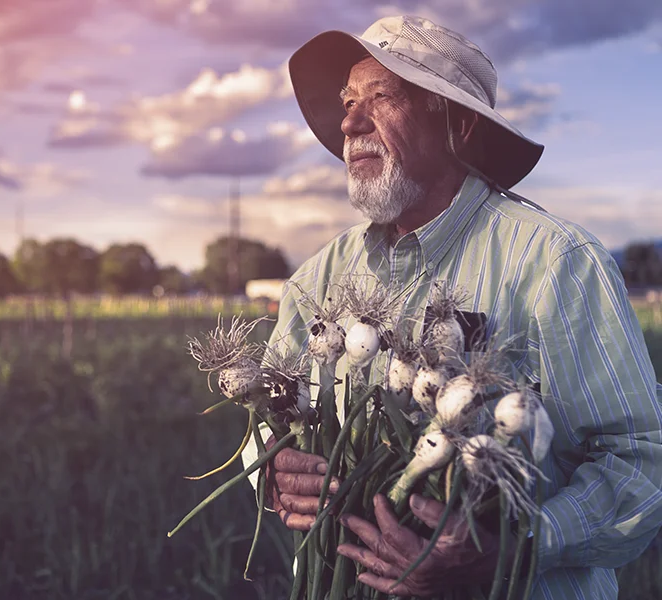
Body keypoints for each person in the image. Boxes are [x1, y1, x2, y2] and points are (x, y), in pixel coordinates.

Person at [241, 15, 662, 599]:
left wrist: (516, 546)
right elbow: (268, 420)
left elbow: (641, 464)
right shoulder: (317, 280)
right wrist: (274, 468)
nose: (350, 121)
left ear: (457, 124)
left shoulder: (557, 262)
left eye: (381, 97)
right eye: (347, 102)